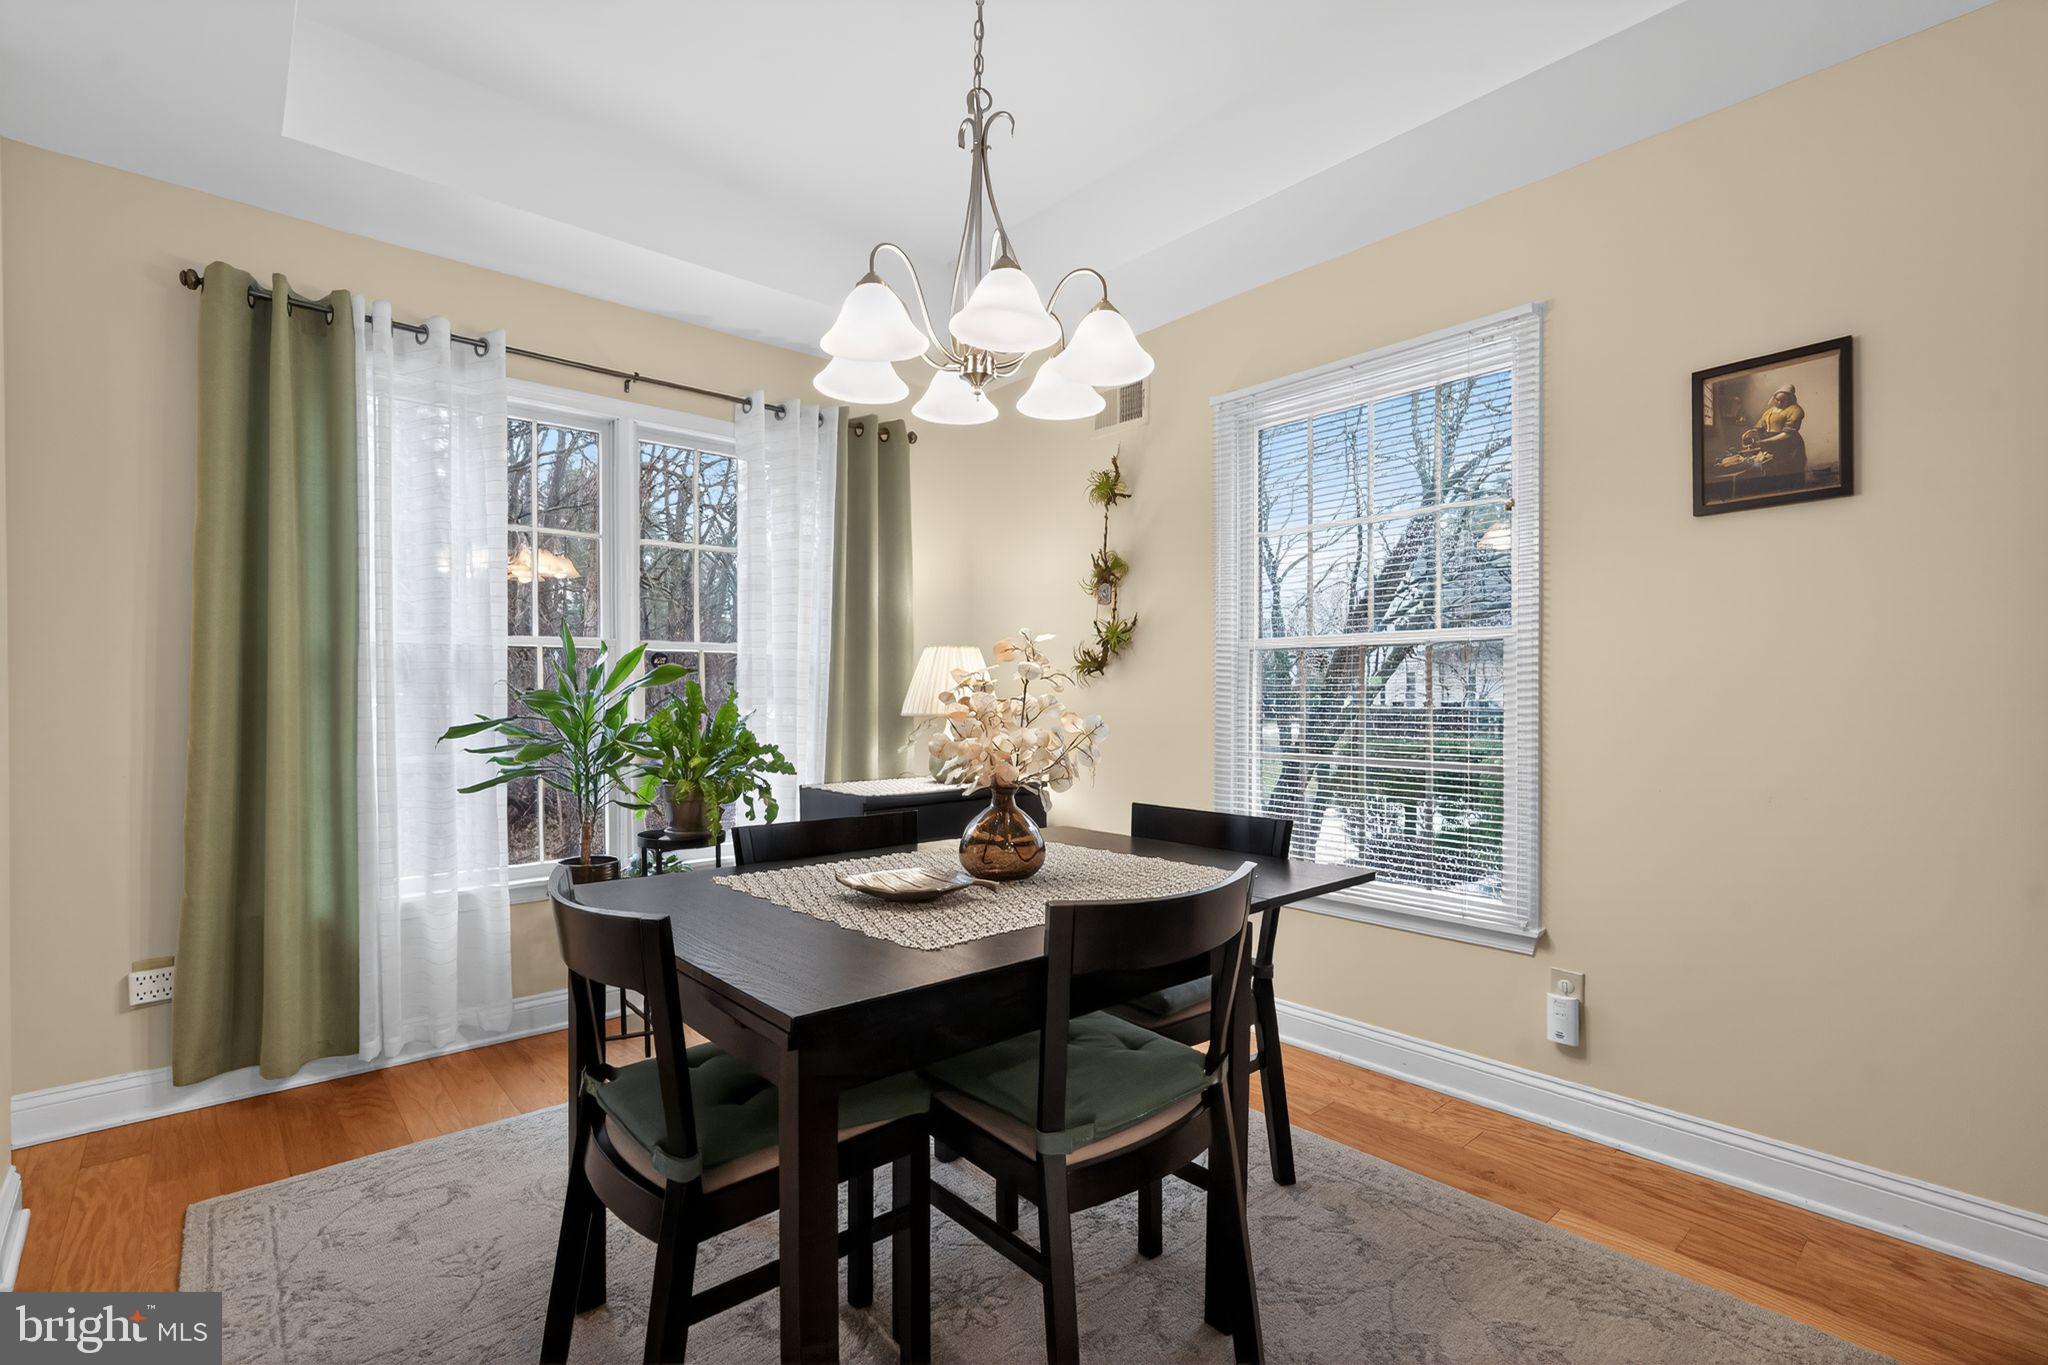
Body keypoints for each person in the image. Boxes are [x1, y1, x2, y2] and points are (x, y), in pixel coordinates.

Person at [1741, 384, 1807, 487]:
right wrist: (1751, 431)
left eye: (1783, 400)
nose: (1779, 403)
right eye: (1777, 400)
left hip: (1788, 445)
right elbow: (1760, 425)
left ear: (1790, 399)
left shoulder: (1795, 410)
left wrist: (1764, 441)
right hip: (1771, 444)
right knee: (1772, 471)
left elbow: (1788, 433)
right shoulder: (1770, 411)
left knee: (1789, 471)